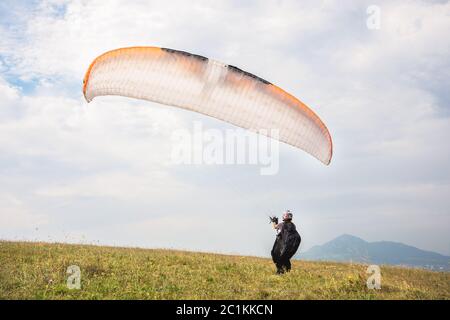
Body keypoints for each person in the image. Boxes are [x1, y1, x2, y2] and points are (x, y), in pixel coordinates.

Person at [270, 210, 301, 274]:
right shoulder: (293, 225)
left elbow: (275, 227)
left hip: (284, 243)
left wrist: (273, 221)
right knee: (286, 257)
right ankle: (286, 269)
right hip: (292, 244)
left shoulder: (282, 224)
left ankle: (280, 270)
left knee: (278, 256)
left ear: (284, 216)